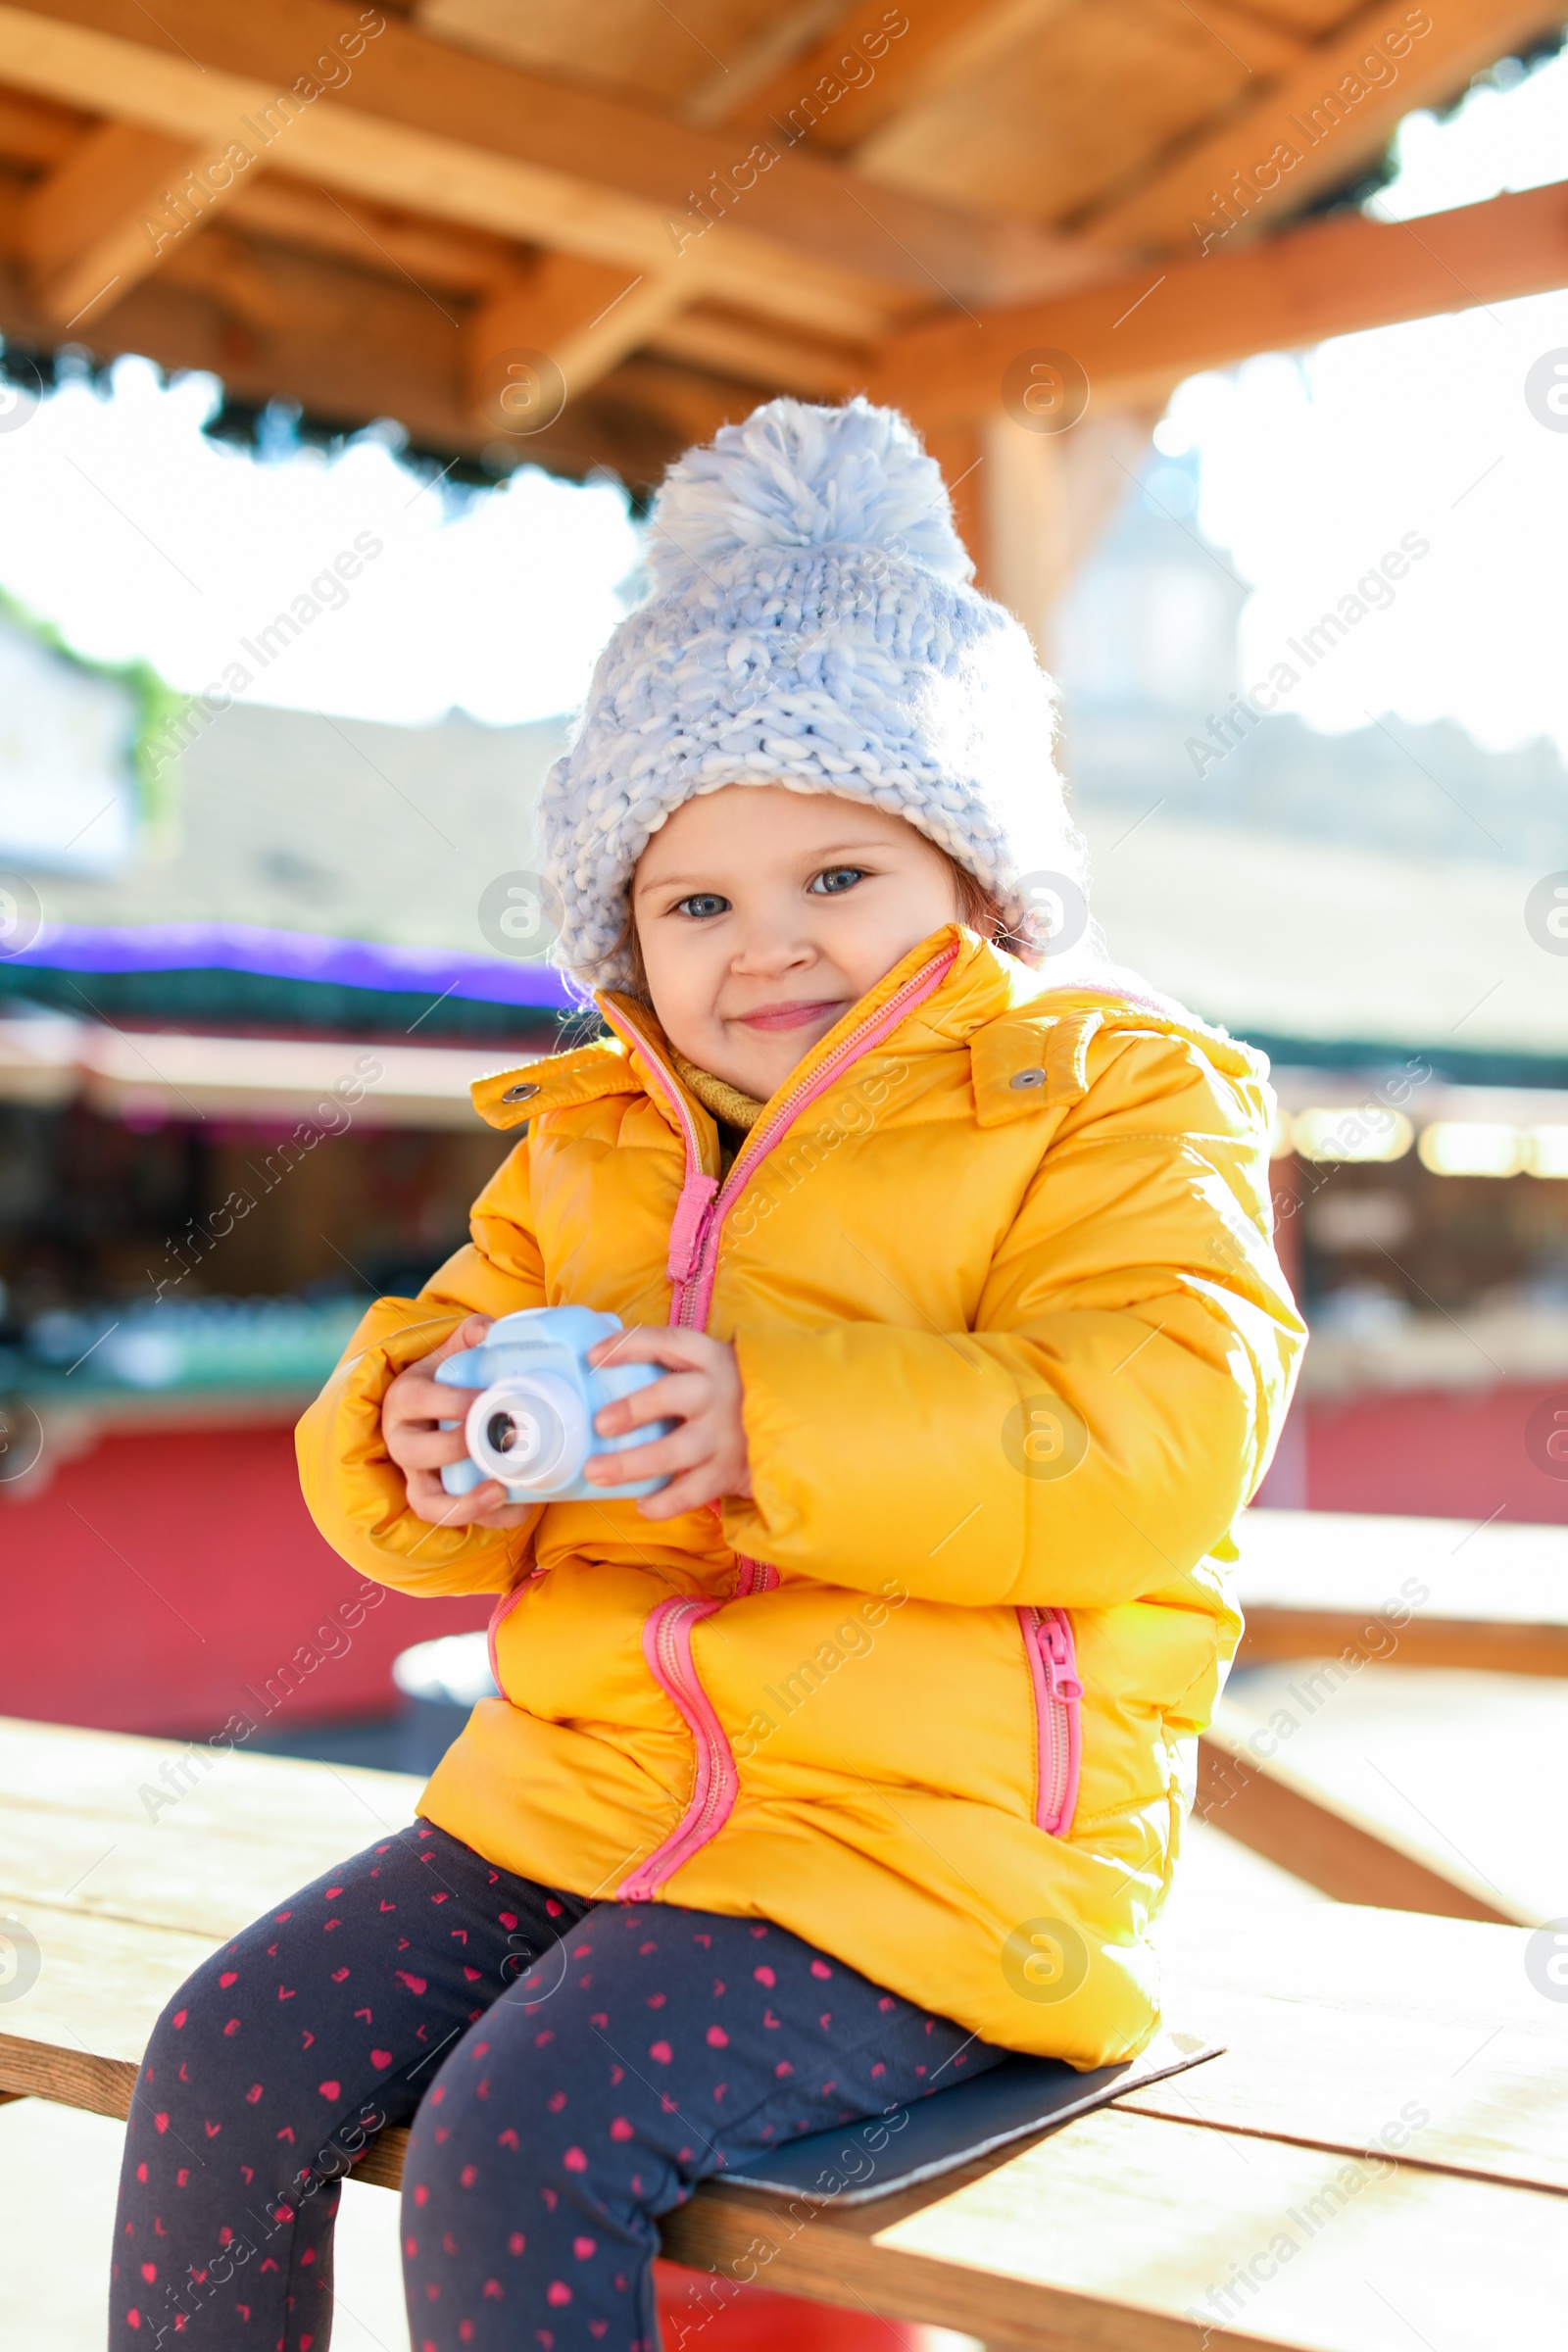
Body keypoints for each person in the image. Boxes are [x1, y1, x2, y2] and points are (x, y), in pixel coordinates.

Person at [109, 396, 1304, 2351]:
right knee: (225, 2050)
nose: (769, 948)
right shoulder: (586, 1143)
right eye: (696, 902)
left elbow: (1155, 1443)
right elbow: (421, 1468)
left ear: (978, 880)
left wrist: (774, 1420)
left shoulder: (1107, 1101)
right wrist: (416, 1442)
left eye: (838, 875)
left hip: (931, 1864)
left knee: (516, 2135)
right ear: (623, 934)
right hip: (570, 1812)